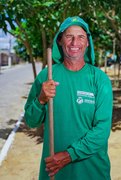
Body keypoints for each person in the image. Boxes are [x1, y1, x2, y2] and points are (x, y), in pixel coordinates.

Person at [24, 16, 113, 180]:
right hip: (56, 173)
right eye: (69, 36)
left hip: (92, 172)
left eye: (81, 37)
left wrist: (68, 155)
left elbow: (102, 130)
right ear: (60, 41)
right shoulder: (47, 76)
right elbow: (31, 121)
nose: (74, 43)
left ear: (87, 43)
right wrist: (41, 99)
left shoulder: (99, 79)